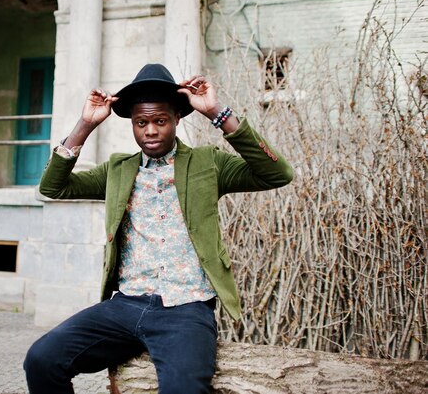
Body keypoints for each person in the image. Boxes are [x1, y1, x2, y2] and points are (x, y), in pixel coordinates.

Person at [24, 63, 293, 394]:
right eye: (141, 123)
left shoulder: (208, 163)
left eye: (160, 121)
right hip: (124, 306)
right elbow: (52, 187)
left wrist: (217, 113)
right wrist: (85, 125)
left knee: (183, 389)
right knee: (41, 359)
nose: (150, 130)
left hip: (186, 309)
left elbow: (278, 173)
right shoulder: (118, 170)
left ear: (177, 119)